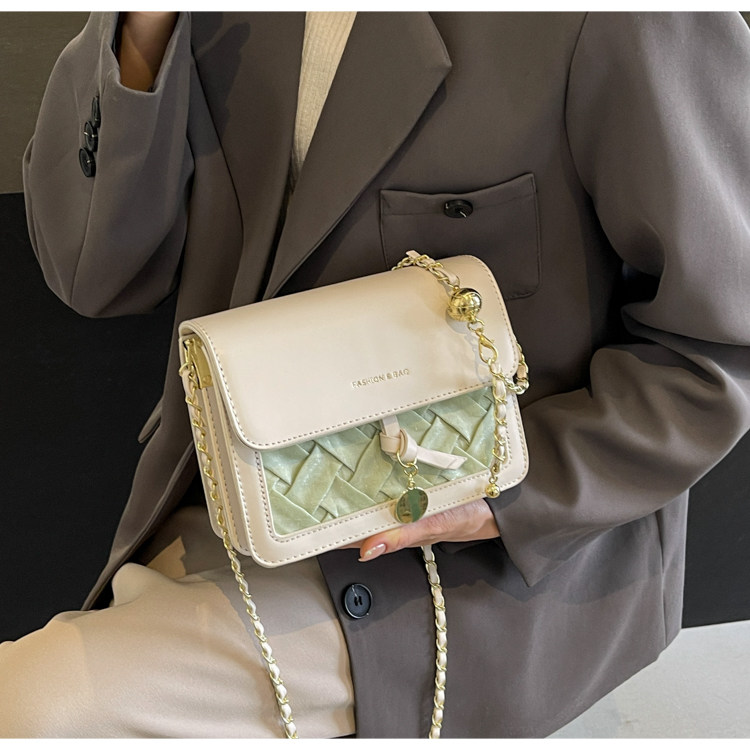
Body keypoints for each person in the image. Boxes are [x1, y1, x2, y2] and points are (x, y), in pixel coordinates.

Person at [2, 10, 749, 738]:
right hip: (229, 501)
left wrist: (509, 493)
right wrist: (142, 28)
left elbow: (720, 346)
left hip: (468, 557)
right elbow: (95, 274)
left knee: (36, 707)